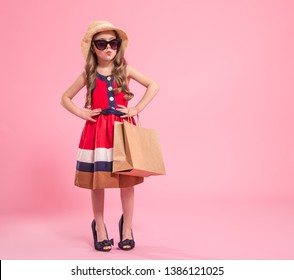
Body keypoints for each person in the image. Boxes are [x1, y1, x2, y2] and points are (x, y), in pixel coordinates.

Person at [61, 21, 159, 251]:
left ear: (118, 46)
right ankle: (100, 226)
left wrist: (136, 109)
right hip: (97, 131)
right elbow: (65, 97)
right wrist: (81, 113)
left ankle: (127, 226)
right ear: (93, 47)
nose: (108, 47)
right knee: (99, 182)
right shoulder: (88, 74)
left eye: (113, 43)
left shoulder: (125, 70)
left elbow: (153, 85)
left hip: (122, 130)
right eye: (101, 43)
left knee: (127, 181)